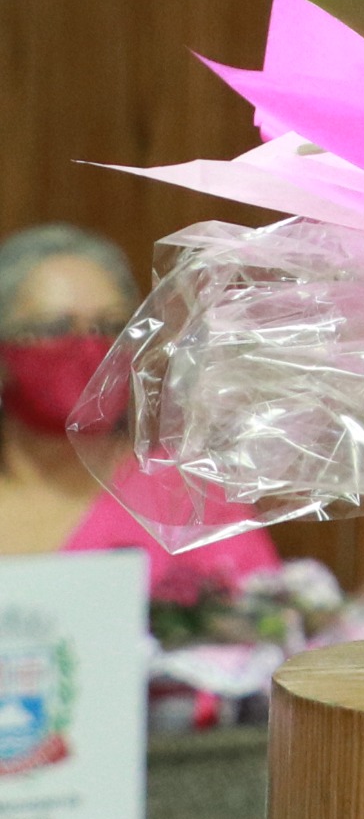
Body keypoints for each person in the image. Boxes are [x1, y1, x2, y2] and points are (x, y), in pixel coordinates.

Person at [0, 223, 276, 594]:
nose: (89, 347)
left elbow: (260, 616)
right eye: (56, 327)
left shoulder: (186, 498)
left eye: (111, 326)